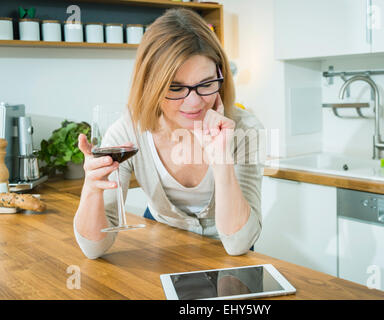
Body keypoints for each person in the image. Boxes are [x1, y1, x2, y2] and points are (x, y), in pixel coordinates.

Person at [73, 8, 264, 259]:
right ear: (150, 85)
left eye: (206, 84)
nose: (194, 102)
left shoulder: (244, 129)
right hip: (164, 248)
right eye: (175, 88)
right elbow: (93, 248)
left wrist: (222, 161)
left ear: (221, 77)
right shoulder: (129, 130)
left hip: (230, 255)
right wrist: (91, 188)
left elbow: (238, 244)